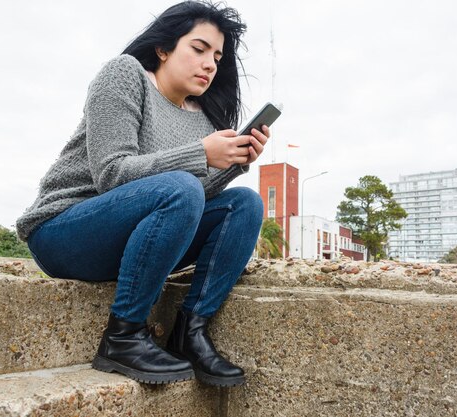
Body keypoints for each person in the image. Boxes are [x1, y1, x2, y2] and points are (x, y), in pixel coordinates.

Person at [16, 1, 269, 387]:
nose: (210, 64)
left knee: (246, 203)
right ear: (163, 48)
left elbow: (187, 200)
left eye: (217, 57)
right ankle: (123, 335)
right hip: (64, 231)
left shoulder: (201, 116)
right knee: (179, 186)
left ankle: (191, 331)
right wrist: (201, 153)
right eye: (198, 49)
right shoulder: (124, 75)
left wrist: (233, 162)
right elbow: (112, 174)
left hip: (130, 241)